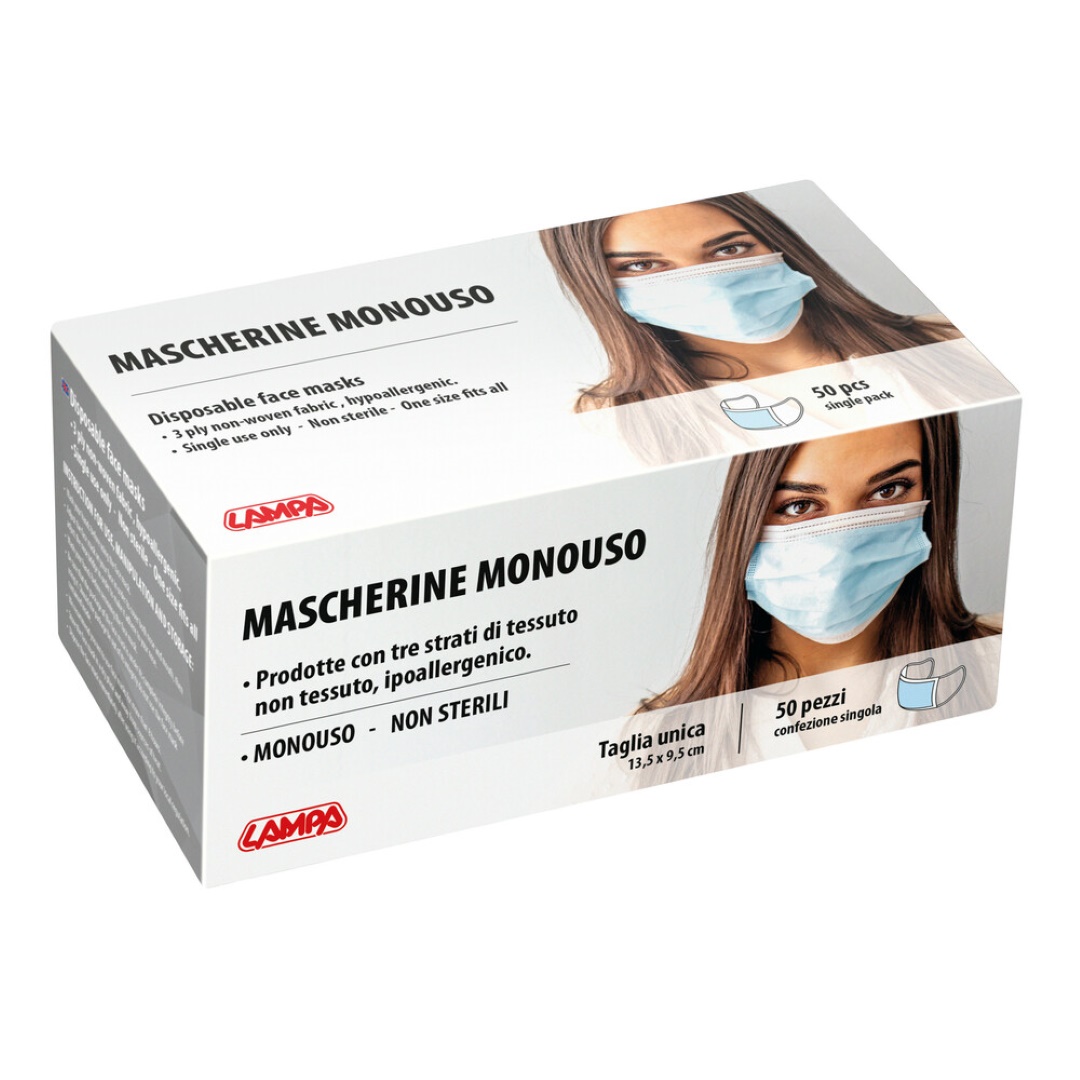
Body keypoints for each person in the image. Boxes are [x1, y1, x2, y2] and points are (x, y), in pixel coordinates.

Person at [638, 414, 999, 712]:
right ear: (747, 519)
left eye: (887, 490)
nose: (842, 551)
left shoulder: (997, 663)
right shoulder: (663, 730)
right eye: (799, 506)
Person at [541, 193, 959, 410]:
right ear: (598, 285)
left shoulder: (948, 339)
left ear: (778, 245)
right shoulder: (608, 416)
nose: (712, 286)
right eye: (642, 265)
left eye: (728, 250)